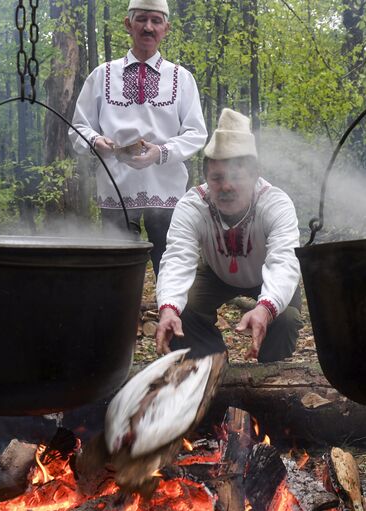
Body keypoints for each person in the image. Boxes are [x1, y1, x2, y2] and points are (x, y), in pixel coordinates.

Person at [69, 0, 207, 276]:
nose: (148, 27)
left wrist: (161, 152)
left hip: (165, 186)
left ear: (166, 28)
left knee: (169, 260)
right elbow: (78, 128)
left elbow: (196, 133)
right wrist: (96, 142)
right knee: (117, 265)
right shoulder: (101, 75)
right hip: (116, 186)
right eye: (142, 19)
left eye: (156, 21)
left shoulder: (181, 78)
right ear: (127, 24)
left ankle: (171, 313)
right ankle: (120, 316)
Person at [155, 108, 303, 362]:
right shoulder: (193, 206)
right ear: (206, 178)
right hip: (215, 272)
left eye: (236, 176)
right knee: (184, 310)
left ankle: (269, 375)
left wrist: (266, 308)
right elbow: (178, 257)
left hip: (266, 274)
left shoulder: (275, 203)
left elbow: (284, 260)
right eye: (217, 178)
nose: (226, 186)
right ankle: (212, 366)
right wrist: (168, 308)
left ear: (254, 174)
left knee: (286, 318)